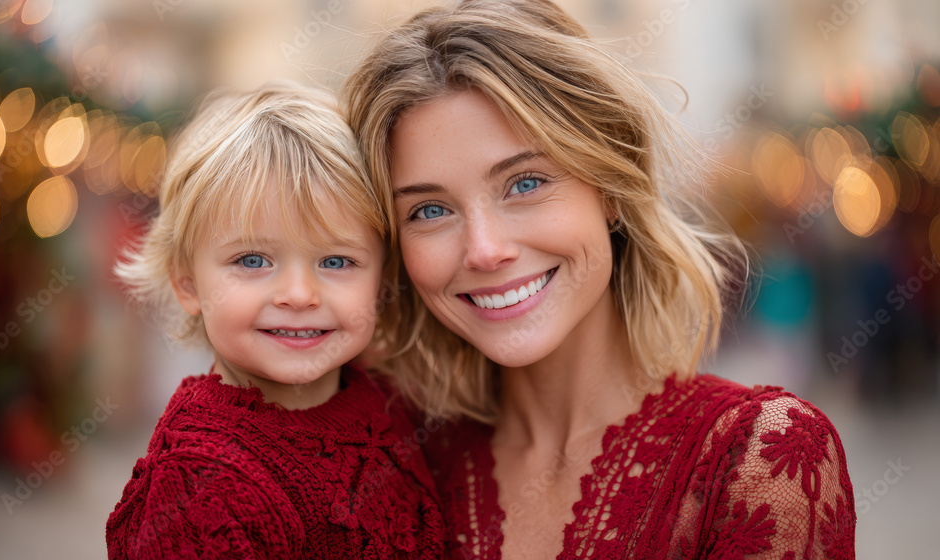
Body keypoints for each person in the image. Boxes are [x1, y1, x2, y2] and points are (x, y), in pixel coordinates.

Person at [343, 1, 856, 558]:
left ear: (610, 188)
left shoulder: (758, 457)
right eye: (429, 211)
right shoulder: (400, 458)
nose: (485, 250)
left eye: (525, 182)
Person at [105, 83, 444, 559]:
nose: (299, 295)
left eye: (336, 262)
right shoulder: (202, 486)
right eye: (252, 261)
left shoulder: (382, 400)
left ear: (383, 280)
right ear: (186, 283)